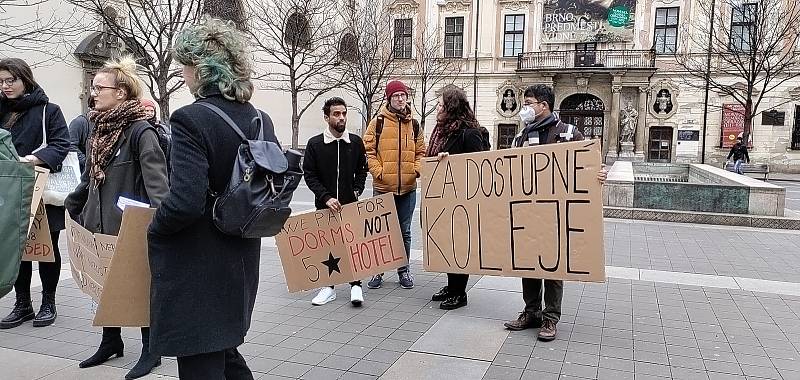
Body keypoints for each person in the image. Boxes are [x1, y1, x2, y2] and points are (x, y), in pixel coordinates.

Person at [147, 18, 275, 379]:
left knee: (203, 359)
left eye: (185, 65)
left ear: (202, 69)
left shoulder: (190, 119)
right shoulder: (260, 119)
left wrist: (155, 226)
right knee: (224, 352)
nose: (183, 74)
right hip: (241, 256)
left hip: (199, 265)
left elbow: (186, 201)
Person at [64, 56, 168, 379]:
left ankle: (152, 351)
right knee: (106, 283)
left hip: (133, 228)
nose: (93, 93)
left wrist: (159, 227)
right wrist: (73, 203)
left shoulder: (140, 132)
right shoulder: (99, 127)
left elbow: (158, 185)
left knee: (140, 285)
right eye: (93, 87)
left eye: (100, 88)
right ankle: (111, 341)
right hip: (100, 224)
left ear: (121, 92)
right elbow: (90, 175)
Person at [503, 84, 607, 342]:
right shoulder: (522, 137)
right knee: (527, 262)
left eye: (529, 102)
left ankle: (550, 317)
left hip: (557, 215)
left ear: (543, 105)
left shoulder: (569, 133)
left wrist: (598, 174)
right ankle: (531, 312)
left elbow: (586, 166)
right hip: (527, 212)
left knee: (553, 265)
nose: (524, 108)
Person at [0, 58, 70, 330]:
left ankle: (48, 302)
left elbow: (61, 144)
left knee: (46, 248)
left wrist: (35, 159)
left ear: (25, 80)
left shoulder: (48, 110)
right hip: (9, 191)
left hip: (41, 188)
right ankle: (22, 303)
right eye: (1, 81)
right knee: (14, 247)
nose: (5, 86)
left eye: (10, 80)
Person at [427, 87, 489, 310]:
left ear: (452, 108)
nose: (438, 109)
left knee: (459, 245)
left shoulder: (469, 133)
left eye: (442, 105)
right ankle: (450, 286)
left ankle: (459, 292)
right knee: (446, 243)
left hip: (462, 201)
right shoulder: (441, 131)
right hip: (444, 200)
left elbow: (477, 167)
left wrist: (450, 159)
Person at [303, 97, 368, 306]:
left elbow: (362, 169)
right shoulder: (315, 144)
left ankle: (356, 285)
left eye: (344, 113)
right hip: (325, 206)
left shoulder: (356, 142)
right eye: (336, 114)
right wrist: (326, 197)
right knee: (327, 247)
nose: (341, 118)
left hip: (350, 205)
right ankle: (328, 287)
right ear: (326, 117)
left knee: (352, 245)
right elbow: (310, 175)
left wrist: (357, 190)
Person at [363, 80, 425, 290]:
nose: (400, 99)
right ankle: (377, 271)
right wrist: (379, 172)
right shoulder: (378, 122)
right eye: (396, 95)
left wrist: (415, 170)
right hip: (382, 187)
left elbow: (421, 152)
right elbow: (368, 150)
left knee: (404, 231)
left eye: (403, 95)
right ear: (389, 98)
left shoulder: (414, 124)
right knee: (379, 232)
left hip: (408, 188)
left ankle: (403, 270)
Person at [68, 96, 94, 172]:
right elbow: (70, 146)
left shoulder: (106, 123)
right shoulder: (80, 122)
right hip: (83, 171)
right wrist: (87, 162)